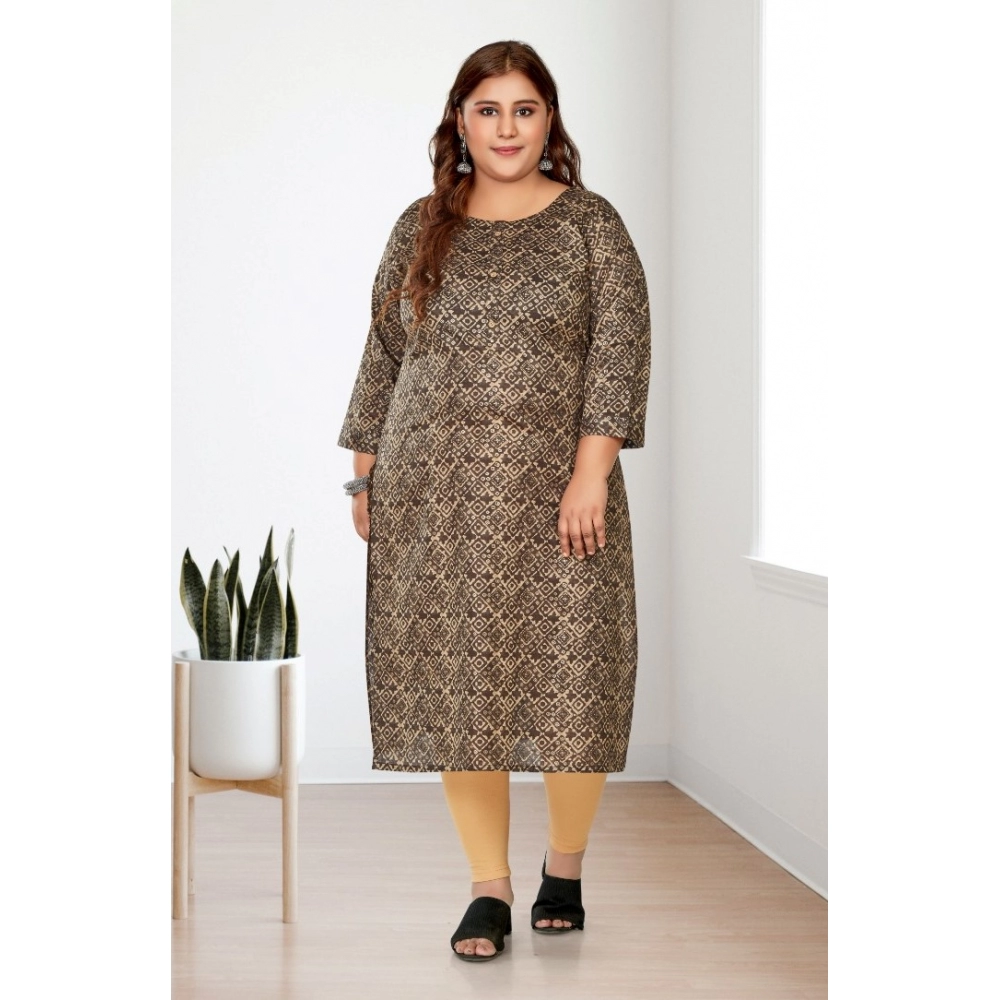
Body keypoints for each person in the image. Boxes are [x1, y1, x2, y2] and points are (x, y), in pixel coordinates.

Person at [337, 40, 652, 962]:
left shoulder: (592, 225)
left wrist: (591, 473)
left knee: (573, 685)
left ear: (549, 119)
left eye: (524, 109)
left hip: (561, 498)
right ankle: (488, 887)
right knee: (461, 689)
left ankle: (565, 868)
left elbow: (620, 352)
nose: (507, 128)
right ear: (460, 122)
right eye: (488, 110)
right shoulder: (420, 225)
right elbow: (384, 354)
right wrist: (365, 473)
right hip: (436, 497)